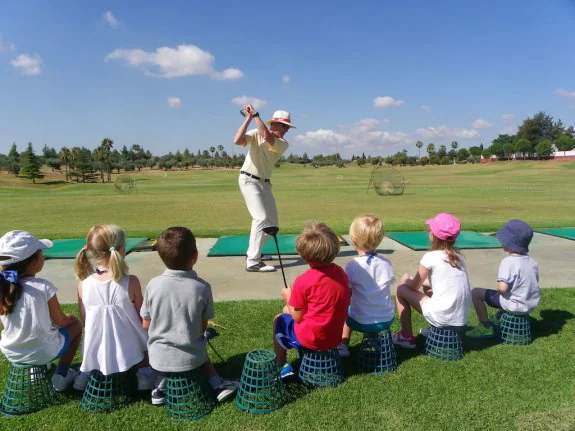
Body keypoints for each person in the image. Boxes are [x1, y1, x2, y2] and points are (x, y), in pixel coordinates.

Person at [141, 226, 238, 405]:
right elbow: (201, 327)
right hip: (193, 357)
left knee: (168, 351)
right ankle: (217, 384)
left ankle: (159, 389)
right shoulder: (201, 287)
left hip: (157, 357)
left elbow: (146, 325)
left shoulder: (153, 285)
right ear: (194, 255)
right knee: (196, 342)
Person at [0, 230, 82, 391]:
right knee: (75, 326)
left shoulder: (2, 286)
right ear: (32, 263)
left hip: (12, 351)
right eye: (41, 253)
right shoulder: (43, 287)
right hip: (43, 351)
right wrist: (70, 318)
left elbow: (5, 325)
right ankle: (62, 375)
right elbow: (62, 321)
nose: (43, 256)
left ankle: (36, 368)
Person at [73, 224, 151, 391]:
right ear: (122, 250)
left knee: (92, 335)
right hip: (129, 342)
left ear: (91, 251)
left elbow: (85, 318)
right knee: (143, 332)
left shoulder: (83, 285)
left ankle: (84, 375)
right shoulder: (131, 281)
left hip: (96, 342)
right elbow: (142, 314)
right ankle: (144, 373)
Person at [273, 221, 350, 378]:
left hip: (312, 338)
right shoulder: (340, 273)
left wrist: (288, 296)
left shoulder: (304, 281)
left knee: (279, 319)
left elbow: (297, 316)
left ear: (302, 255)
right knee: (286, 310)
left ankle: (281, 365)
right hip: (335, 337)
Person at [392, 213, 471, 348]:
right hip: (461, 317)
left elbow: (413, 287)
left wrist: (406, 280)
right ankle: (435, 329)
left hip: (442, 315)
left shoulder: (430, 257)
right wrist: (420, 281)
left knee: (401, 290)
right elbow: (443, 281)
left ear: (433, 235)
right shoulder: (459, 257)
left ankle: (406, 336)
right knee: (428, 287)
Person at [234, 105, 295, 272]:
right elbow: (237, 140)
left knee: (272, 225)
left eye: (287, 127)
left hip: (265, 184)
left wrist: (256, 116)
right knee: (260, 219)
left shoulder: (282, 143)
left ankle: (255, 252)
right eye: (284, 126)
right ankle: (253, 261)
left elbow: (267, 137)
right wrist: (248, 118)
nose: (286, 130)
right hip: (249, 180)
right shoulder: (256, 133)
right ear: (274, 124)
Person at [466, 219, 540, 338]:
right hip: (529, 303)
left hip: (514, 304)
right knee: (510, 292)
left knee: (476, 293)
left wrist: (499, 287)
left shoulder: (508, 262)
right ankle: (499, 317)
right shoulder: (532, 262)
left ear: (508, 243)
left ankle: (485, 327)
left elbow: (502, 288)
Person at [337, 215, 395, 357]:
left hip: (360, 320)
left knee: (347, 310)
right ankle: (374, 337)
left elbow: (347, 293)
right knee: (374, 302)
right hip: (386, 318)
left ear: (353, 239)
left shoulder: (353, 265)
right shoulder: (386, 263)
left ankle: (343, 344)